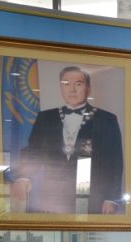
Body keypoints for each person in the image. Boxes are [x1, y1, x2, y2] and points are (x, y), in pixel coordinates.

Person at [10, 66, 123, 214]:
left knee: (83, 228)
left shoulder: (107, 119)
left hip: (92, 196)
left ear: (88, 89)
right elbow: (33, 150)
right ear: (61, 87)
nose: (72, 90)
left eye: (78, 84)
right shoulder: (45, 118)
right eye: (66, 84)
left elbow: (114, 161)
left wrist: (111, 197)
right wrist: (23, 176)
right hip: (52, 197)